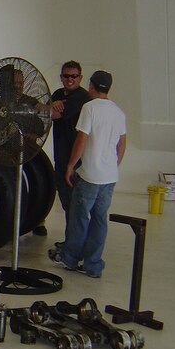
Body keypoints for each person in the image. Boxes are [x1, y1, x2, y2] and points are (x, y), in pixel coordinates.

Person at [48, 70, 126, 278]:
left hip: (89, 175)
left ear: (91, 85)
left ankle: (71, 259)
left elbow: (81, 139)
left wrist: (70, 166)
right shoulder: (118, 112)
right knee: (100, 220)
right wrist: (114, 164)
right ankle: (93, 265)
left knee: (79, 218)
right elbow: (122, 143)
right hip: (110, 177)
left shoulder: (89, 108)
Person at [47, 60, 91, 251]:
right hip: (61, 158)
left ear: (80, 78)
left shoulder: (82, 97)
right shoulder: (58, 94)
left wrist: (48, 108)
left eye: (74, 76)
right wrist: (50, 106)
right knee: (67, 203)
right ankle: (72, 242)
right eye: (66, 76)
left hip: (76, 162)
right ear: (61, 77)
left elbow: (52, 115)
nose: (70, 79)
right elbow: (46, 112)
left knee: (75, 206)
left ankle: (76, 246)